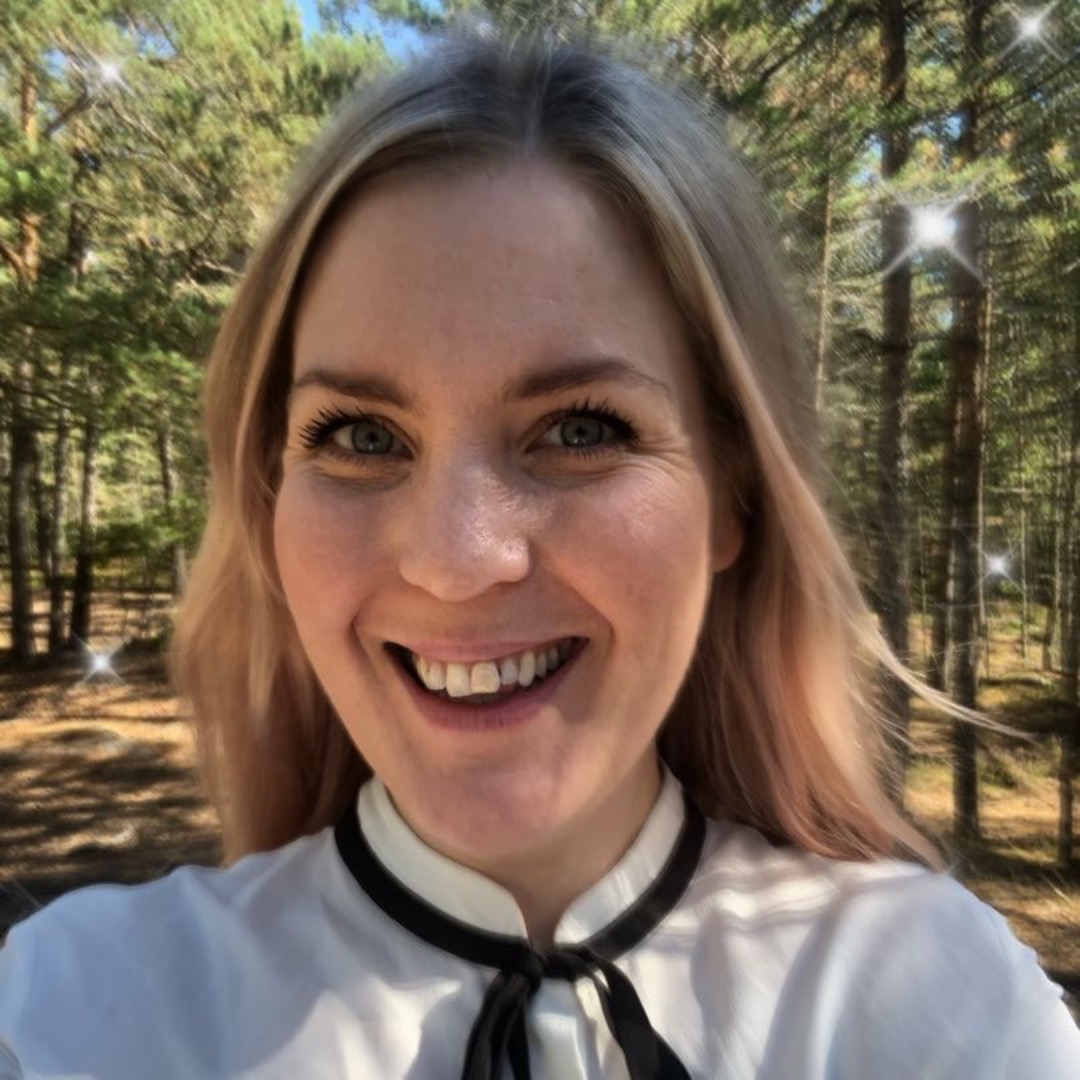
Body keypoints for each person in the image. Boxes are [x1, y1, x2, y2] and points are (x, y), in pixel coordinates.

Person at [0, 33, 1076, 1080]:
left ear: (735, 496)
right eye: (362, 436)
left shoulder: (934, 1005)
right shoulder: (74, 1016)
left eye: (580, 429)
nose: (456, 560)